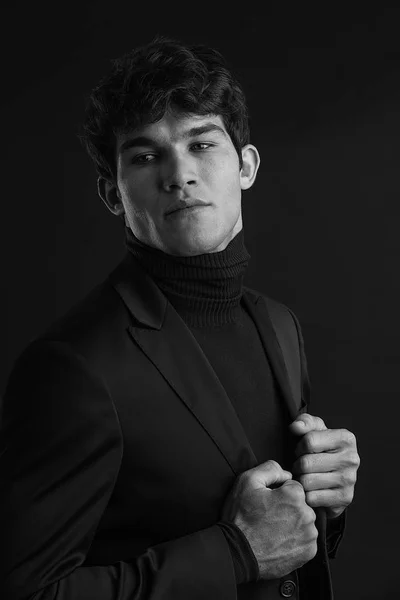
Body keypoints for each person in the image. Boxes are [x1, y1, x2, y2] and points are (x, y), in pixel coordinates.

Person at [0, 36, 360, 599]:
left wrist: (324, 505)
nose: (179, 174)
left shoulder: (279, 325)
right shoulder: (73, 367)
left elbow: (283, 539)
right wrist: (234, 553)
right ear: (112, 194)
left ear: (246, 166)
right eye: (145, 157)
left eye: (201, 145)